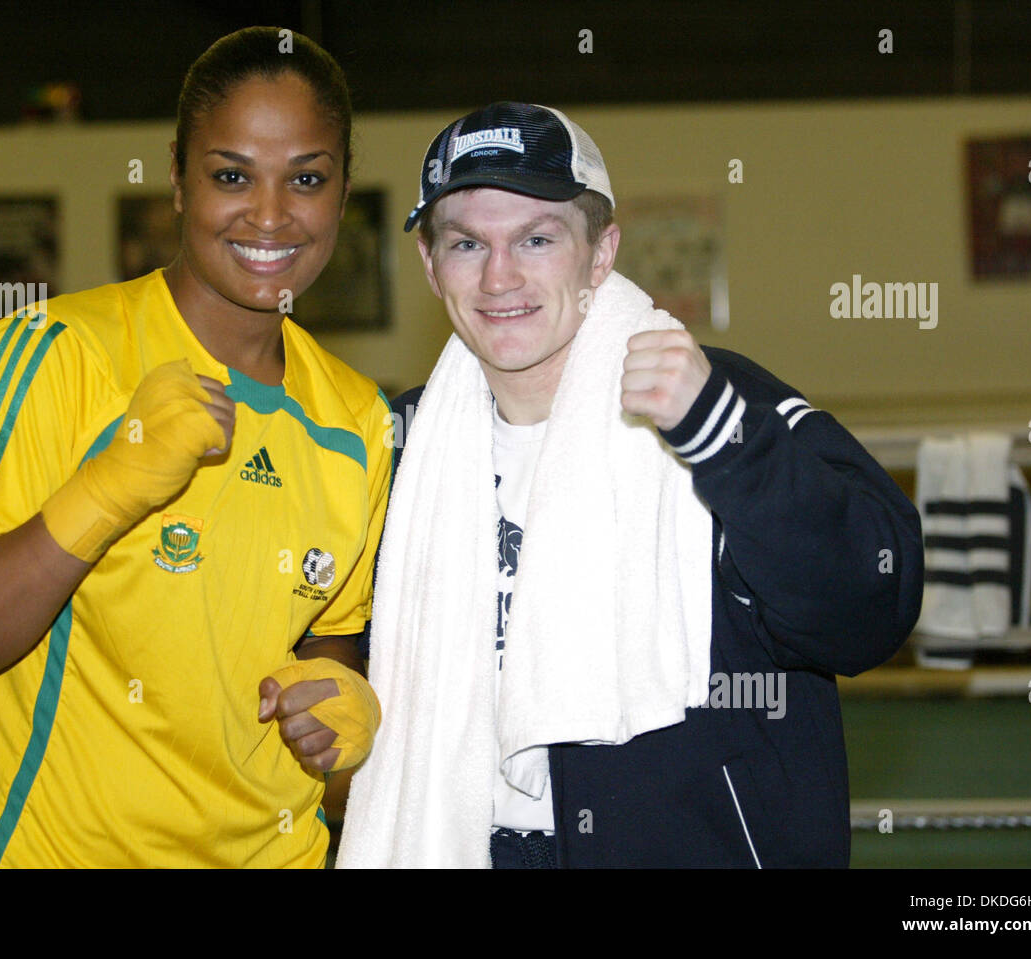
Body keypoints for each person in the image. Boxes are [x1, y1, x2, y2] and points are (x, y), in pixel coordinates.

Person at [338, 102, 924, 868]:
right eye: (466, 243)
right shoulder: (404, 445)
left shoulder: (718, 399)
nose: (499, 276)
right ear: (428, 263)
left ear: (602, 252)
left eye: (537, 239)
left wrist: (724, 440)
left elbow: (870, 612)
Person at [0, 27, 390, 868]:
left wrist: (345, 704)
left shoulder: (357, 421)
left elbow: (325, 643)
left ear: (343, 194)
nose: (270, 214)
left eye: (306, 178)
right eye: (231, 175)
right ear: (176, 178)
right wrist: (108, 489)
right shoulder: (53, 357)